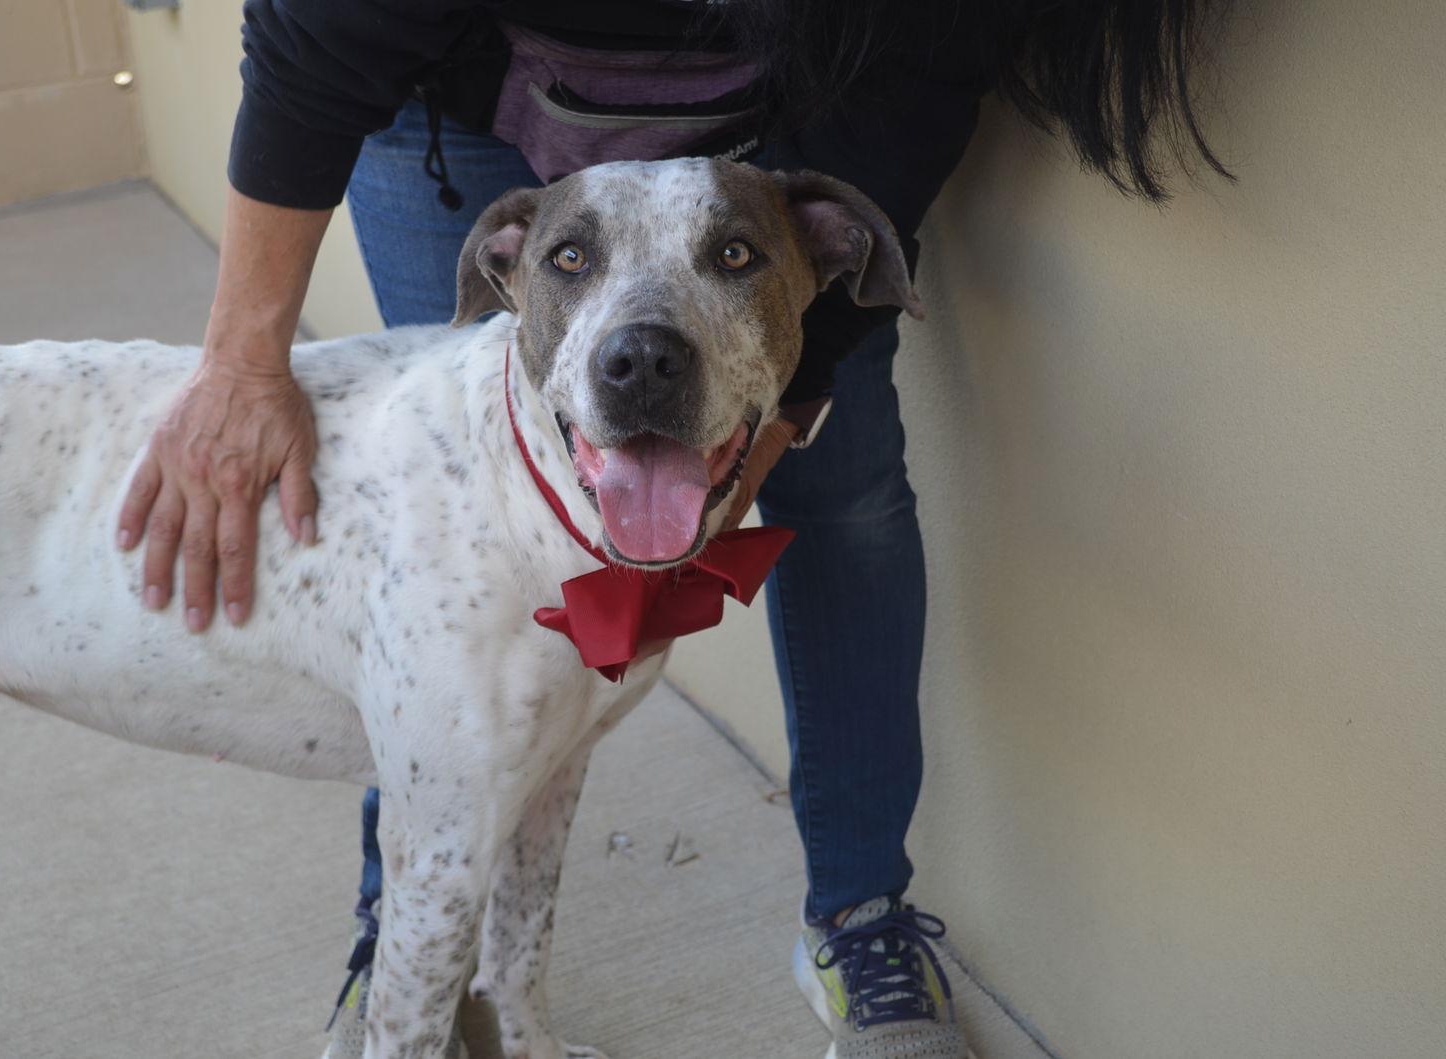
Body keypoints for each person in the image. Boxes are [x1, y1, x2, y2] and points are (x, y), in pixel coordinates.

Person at [115, 2, 1230, 1055]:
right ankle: (407, 932)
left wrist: (782, 406)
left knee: (845, 498)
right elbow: (319, 39)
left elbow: (918, 71)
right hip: (455, 92)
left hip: (791, 114)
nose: (640, 346)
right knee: (440, 573)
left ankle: (859, 914)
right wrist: (239, 361)